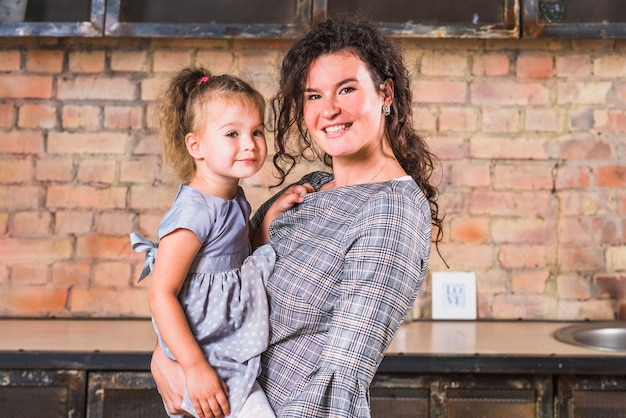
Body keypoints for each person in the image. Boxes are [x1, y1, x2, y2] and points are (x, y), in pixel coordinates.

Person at [151, 16, 444, 418]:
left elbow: (339, 380)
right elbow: (206, 283)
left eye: (346, 89)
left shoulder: (390, 212)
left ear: (385, 93)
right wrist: (167, 359)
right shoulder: (311, 187)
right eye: (313, 96)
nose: (330, 110)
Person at [130, 66, 281, 418]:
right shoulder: (194, 212)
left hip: (227, 345)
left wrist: (272, 216)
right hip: (205, 355)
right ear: (195, 145)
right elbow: (161, 294)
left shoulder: (233, 197)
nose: (250, 144)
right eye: (232, 133)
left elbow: (239, 257)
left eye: (257, 131)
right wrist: (194, 367)